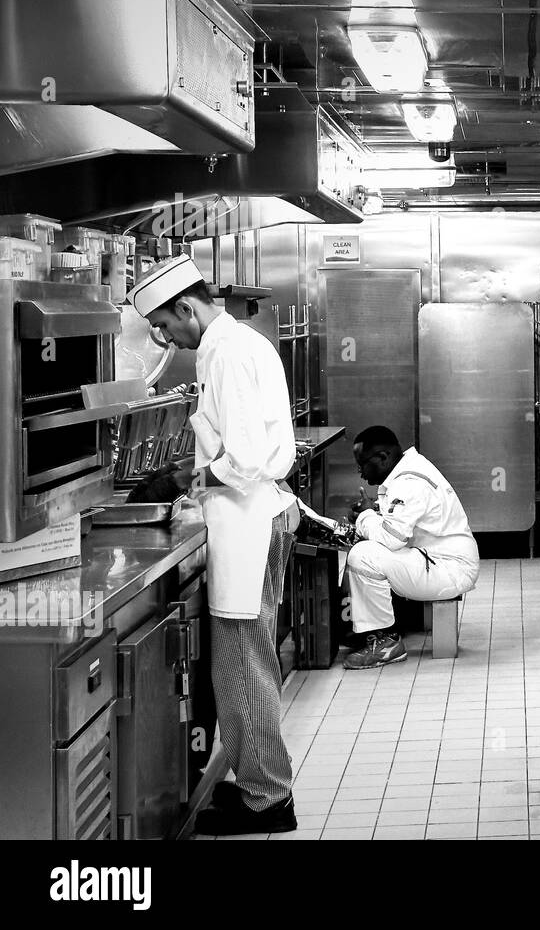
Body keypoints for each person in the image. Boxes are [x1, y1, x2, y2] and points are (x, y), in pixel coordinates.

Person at [130, 256, 300, 836]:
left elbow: (245, 460)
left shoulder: (226, 352)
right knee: (248, 665)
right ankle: (262, 784)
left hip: (250, 524)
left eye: (165, 326)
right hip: (254, 518)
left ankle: (267, 800)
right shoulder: (229, 346)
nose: (165, 338)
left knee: (242, 668)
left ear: (187, 307)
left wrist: (192, 479)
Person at [344, 425, 479, 669]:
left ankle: (385, 642)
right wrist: (373, 513)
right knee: (369, 550)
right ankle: (377, 631)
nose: (361, 473)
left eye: (362, 464)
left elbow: (391, 538)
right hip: (438, 560)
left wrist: (365, 517)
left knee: (362, 556)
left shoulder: (409, 482)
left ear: (383, 457)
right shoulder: (408, 471)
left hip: (448, 569)